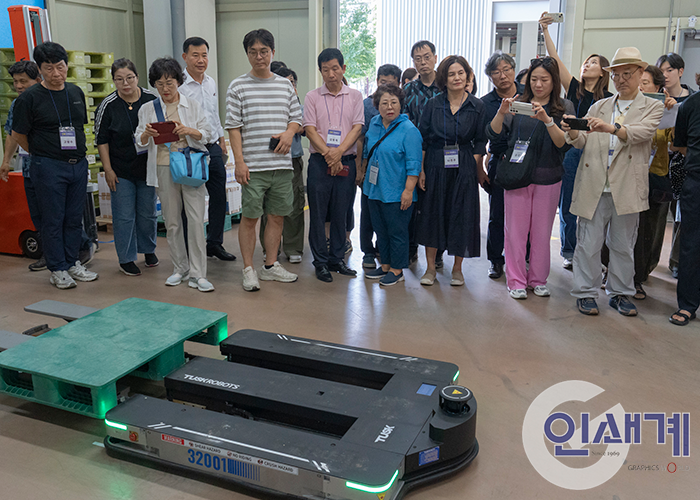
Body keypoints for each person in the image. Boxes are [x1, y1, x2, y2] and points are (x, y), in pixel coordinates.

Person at [562, 47, 664, 316]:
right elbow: (582, 142)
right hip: (594, 183)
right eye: (616, 75)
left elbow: (641, 133)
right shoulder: (600, 105)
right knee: (588, 244)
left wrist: (611, 128)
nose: (621, 80)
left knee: (623, 246)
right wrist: (573, 130)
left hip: (627, 186)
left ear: (640, 73)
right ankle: (585, 292)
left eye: (627, 74)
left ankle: (620, 293)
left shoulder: (652, 107)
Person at [11, 42, 98, 289]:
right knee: (53, 219)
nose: (56, 73)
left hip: (77, 164)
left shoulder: (75, 92)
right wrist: (41, 153)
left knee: (74, 218)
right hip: (48, 166)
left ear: (66, 66)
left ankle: (72, 262)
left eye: (60, 67)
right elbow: (18, 134)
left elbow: (79, 126)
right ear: (40, 70)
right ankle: (57, 268)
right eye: (49, 68)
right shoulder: (29, 98)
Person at [487, 57, 574, 299]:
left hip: (549, 177)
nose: (538, 84)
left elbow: (563, 144)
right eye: (533, 79)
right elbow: (493, 133)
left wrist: (547, 120)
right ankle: (516, 280)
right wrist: (501, 112)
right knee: (515, 231)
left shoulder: (564, 107)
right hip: (517, 176)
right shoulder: (519, 104)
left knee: (541, 233)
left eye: (544, 79)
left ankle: (538, 279)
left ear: (554, 81)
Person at [225, 29, 302, 291]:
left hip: (281, 166)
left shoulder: (285, 85)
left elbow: (296, 118)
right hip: (253, 167)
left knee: (277, 217)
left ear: (273, 52)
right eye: (253, 52)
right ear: (247, 54)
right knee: (250, 218)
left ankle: (270, 266)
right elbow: (233, 127)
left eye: (264, 51)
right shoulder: (238, 86)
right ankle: (248, 269)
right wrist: (239, 162)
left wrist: (289, 133)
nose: (259, 57)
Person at [540, 12, 613, 270]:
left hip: (597, 152)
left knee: (595, 205)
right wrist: (545, 30)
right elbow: (554, 59)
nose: (586, 65)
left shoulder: (610, 98)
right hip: (572, 150)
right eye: (585, 62)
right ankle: (569, 250)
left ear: (603, 71)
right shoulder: (574, 88)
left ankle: (592, 253)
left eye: (593, 63)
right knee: (569, 203)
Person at [135, 57, 214, 292]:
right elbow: (138, 140)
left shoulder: (192, 105)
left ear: (178, 81)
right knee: (171, 221)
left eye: (169, 83)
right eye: (159, 84)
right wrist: (147, 135)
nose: (165, 89)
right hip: (162, 166)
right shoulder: (148, 109)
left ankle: (199, 274)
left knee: (196, 220)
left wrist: (189, 131)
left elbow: (207, 134)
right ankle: (180, 268)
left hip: (189, 166)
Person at [416, 55, 487, 286]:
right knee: (432, 213)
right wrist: (421, 170)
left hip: (464, 164)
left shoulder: (477, 106)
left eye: (460, 73)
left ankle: (457, 268)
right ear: (443, 79)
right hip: (435, 163)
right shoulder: (433, 104)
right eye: (451, 74)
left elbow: (480, 140)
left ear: (468, 75)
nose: (457, 78)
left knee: (462, 215)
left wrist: (472, 163)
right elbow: (423, 139)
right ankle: (430, 268)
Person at [303, 48, 364, 282]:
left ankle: (337, 259)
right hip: (320, 162)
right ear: (320, 71)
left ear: (343, 68)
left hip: (345, 162)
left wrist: (338, 153)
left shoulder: (355, 96)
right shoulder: (312, 97)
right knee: (318, 214)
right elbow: (310, 129)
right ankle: (320, 262)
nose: (331, 74)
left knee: (342, 211)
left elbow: (357, 128)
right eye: (325, 70)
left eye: (335, 68)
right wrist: (329, 153)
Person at [95, 58, 158, 276]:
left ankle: (148, 249)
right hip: (120, 169)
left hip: (147, 167)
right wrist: (108, 169)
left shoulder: (151, 100)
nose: (125, 83)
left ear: (137, 77)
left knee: (148, 213)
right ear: (113, 81)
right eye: (119, 79)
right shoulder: (108, 105)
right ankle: (126, 258)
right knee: (123, 216)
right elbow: (101, 140)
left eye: (130, 78)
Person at [179, 36, 235, 262]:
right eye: (195, 55)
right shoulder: (180, 85)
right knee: (190, 200)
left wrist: (222, 139)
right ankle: (190, 247)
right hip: (190, 149)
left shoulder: (210, 82)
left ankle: (214, 243)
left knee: (219, 195)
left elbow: (214, 113)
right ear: (185, 57)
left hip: (212, 146)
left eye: (204, 55)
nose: (201, 60)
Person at [362, 84, 422, 286]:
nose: (389, 107)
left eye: (394, 102)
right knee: (381, 230)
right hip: (374, 189)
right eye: (384, 103)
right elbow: (368, 151)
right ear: (377, 106)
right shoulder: (374, 124)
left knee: (397, 232)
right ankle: (386, 265)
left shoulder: (409, 130)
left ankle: (397, 270)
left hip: (398, 192)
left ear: (400, 104)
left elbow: (414, 164)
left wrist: (408, 191)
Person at [629, 65, 675, 299]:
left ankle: (638, 277)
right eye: (638, 82)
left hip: (654, 176)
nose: (640, 87)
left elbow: (675, 143)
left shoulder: (667, 111)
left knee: (647, 230)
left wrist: (672, 114)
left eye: (645, 83)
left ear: (658, 88)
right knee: (622, 227)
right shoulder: (627, 106)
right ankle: (613, 272)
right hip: (628, 175)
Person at [480, 50, 524, 280]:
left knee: (524, 215)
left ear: (514, 70)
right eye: (496, 72)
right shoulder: (485, 103)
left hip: (527, 161)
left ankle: (523, 258)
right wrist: (480, 168)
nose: (503, 75)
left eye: (506, 69)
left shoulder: (528, 94)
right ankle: (496, 260)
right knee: (497, 214)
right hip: (500, 160)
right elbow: (481, 138)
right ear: (490, 77)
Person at [356, 64, 402, 269]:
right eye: (383, 82)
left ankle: (385, 252)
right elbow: (361, 139)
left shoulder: (401, 107)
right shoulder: (366, 106)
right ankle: (367, 251)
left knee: (389, 215)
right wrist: (360, 168)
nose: (386, 87)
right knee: (368, 211)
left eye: (391, 83)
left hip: (393, 172)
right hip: (371, 170)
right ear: (376, 81)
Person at [259, 66, 305, 264]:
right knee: (268, 206)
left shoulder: (298, 104)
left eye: (292, 82)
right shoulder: (265, 102)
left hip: (292, 159)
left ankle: (293, 247)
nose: (289, 86)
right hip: (269, 160)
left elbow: (304, 127)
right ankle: (269, 248)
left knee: (295, 205)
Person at [1, 61, 43, 271]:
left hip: (51, 166)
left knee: (57, 213)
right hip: (29, 167)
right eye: (15, 81)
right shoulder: (17, 104)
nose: (18, 86)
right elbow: (12, 133)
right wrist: (6, 161)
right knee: (37, 214)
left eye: (23, 81)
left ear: (37, 80)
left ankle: (78, 249)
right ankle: (49, 253)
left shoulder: (48, 100)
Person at [403, 40, 442, 266]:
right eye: (418, 59)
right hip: (413, 153)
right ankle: (411, 249)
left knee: (436, 204)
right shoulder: (408, 90)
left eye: (427, 57)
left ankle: (437, 253)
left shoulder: (446, 87)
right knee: (411, 203)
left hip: (440, 154)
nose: (423, 62)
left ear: (435, 58)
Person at [657, 53, 695, 279]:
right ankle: (648, 263)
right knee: (657, 216)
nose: (665, 75)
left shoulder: (693, 99)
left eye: (669, 70)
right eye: (661, 71)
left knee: (682, 216)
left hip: (684, 165)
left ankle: (677, 262)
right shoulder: (654, 98)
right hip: (657, 164)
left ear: (680, 71)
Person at [669, 80, 700, 325]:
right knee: (691, 244)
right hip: (696, 181)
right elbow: (678, 144)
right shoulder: (690, 105)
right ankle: (688, 304)